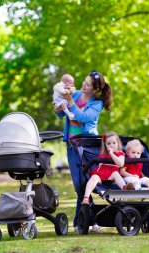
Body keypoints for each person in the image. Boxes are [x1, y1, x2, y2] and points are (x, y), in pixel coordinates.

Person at [54, 70, 112, 232]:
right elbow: (61, 113)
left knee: (86, 181)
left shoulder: (96, 103)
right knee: (79, 184)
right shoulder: (77, 94)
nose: (83, 85)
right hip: (73, 145)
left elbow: (82, 117)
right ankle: (92, 220)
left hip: (88, 145)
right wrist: (58, 109)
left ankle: (80, 221)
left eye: (87, 84)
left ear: (95, 89)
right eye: (84, 82)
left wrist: (70, 101)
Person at [82, 131, 134, 205]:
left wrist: (112, 154)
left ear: (118, 143)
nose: (111, 145)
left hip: (111, 176)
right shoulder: (103, 154)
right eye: (108, 144)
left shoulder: (120, 154)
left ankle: (124, 187)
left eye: (114, 143)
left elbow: (120, 164)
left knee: (116, 173)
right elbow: (100, 165)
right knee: (94, 177)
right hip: (100, 174)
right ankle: (86, 197)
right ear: (105, 145)